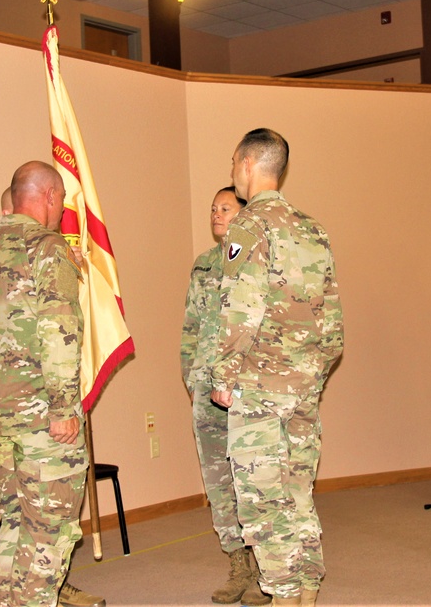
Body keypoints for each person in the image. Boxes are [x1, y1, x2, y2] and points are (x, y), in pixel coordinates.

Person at [0, 161, 99, 607]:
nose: (62, 211)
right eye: (63, 202)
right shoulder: (47, 250)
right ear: (48, 196)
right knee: (50, 528)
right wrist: (65, 407)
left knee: (14, 519)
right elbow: (59, 333)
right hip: (45, 422)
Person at [210, 129, 344, 607]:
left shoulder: (249, 226)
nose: (232, 173)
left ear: (247, 164)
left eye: (233, 163)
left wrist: (223, 377)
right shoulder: (312, 229)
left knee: (264, 502)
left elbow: (240, 311)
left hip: (259, 388)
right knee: (297, 491)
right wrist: (312, 374)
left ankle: (284, 597)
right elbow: (332, 321)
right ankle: (307, 591)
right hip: (304, 385)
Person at [181, 187, 270, 606]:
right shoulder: (203, 264)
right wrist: (191, 375)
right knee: (218, 480)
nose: (217, 214)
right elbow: (192, 325)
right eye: (213, 209)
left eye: (225, 208)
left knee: (251, 476)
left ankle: (266, 569)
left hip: (246, 386)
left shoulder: (257, 258)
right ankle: (238, 564)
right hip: (206, 386)